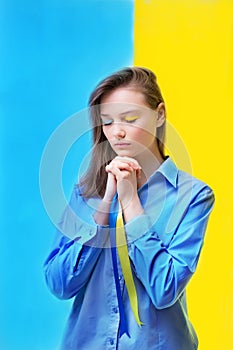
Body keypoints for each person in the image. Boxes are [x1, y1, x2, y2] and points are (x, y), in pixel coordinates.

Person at [44, 67, 215, 350]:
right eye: (107, 122)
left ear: (159, 114)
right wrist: (105, 205)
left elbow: (165, 289)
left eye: (130, 118)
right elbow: (59, 284)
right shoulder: (86, 192)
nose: (117, 132)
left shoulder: (193, 196)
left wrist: (131, 202)